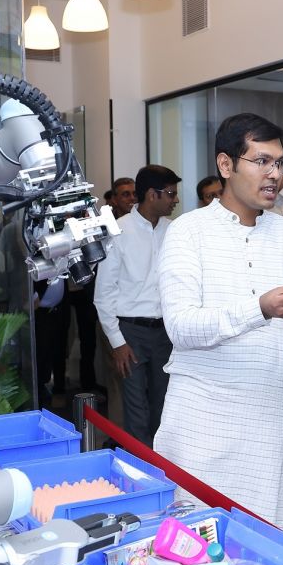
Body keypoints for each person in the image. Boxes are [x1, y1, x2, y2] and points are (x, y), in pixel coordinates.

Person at [154, 113, 283, 532]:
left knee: (266, 560)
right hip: (203, 429)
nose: (275, 175)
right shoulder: (188, 232)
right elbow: (181, 328)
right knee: (196, 559)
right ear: (226, 165)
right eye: (261, 161)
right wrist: (260, 309)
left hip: (272, 427)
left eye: (281, 163)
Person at [93, 164, 181, 445]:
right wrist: (117, 342)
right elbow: (103, 293)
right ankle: (139, 474)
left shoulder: (175, 231)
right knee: (135, 410)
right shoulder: (118, 231)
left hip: (166, 332)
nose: (175, 200)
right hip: (130, 332)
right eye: (170, 194)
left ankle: (163, 471)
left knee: (164, 406)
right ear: (152, 195)